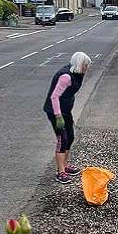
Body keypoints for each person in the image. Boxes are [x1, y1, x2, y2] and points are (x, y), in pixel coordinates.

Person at [43, 51, 92, 184]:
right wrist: (58, 116)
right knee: (62, 140)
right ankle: (60, 172)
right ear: (79, 64)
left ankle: (65, 165)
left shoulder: (77, 74)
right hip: (55, 112)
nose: (87, 68)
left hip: (65, 110)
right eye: (86, 65)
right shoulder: (66, 77)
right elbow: (54, 97)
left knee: (70, 137)